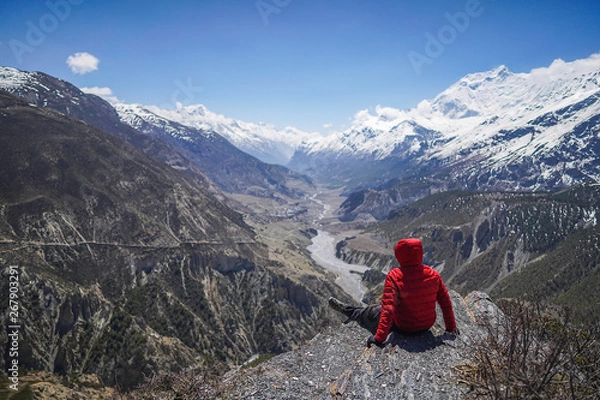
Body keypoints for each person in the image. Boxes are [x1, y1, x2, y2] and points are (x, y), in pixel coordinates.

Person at [329, 238, 458, 348]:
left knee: (372, 311)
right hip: (426, 326)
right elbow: (446, 303)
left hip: (404, 327)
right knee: (378, 309)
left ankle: (351, 312)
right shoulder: (433, 275)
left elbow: (388, 310)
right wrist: (451, 328)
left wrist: (379, 338)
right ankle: (352, 311)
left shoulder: (395, 276)